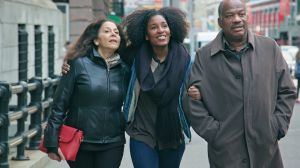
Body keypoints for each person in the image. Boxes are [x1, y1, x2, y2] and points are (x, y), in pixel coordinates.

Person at [183, 0, 297, 168]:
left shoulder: (269, 47)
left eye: (241, 14)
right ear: (220, 22)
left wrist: (277, 126)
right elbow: (192, 100)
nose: (237, 19)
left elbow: (287, 90)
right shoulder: (204, 56)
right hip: (226, 153)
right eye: (229, 16)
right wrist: (214, 133)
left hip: (265, 148)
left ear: (247, 17)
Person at [43, 18, 129, 168]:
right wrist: (51, 141)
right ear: (96, 40)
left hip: (113, 142)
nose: (113, 34)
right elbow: (60, 104)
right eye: (107, 31)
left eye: (116, 32)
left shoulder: (125, 70)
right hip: (80, 141)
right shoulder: (77, 64)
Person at [121, 7, 191, 168]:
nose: (161, 30)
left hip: (172, 135)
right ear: (146, 35)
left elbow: (201, 84)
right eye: (154, 27)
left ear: (171, 30)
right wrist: (72, 64)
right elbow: (105, 60)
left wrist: (195, 93)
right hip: (142, 133)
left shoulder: (185, 61)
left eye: (164, 26)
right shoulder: (133, 59)